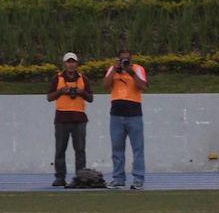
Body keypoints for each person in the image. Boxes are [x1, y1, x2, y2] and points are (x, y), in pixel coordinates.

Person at [47, 52, 94, 187]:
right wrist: (61, 91)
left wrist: (82, 92)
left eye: (73, 62)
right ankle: (60, 177)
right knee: (60, 149)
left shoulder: (83, 79)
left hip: (79, 119)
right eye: (69, 62)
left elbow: (90, 98)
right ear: (64, 64)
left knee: (80, 150)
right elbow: (49, 97)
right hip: (62, 118)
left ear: (77, 64)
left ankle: (80, 177)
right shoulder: (57, 78)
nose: (71, 64)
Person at [104, 49, 148, 190]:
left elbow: (143, 86)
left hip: (134, 114)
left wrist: (131, 72)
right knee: (117, 149)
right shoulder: (113, 69)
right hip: (116, 115)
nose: (124, 62)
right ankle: (118, 179)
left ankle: (138, 179)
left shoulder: (138, 69)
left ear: (131, 59)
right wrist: (114, 70)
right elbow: (105, 86)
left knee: (138, 149)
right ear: (118, 59)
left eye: (127, 59)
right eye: (122, 59)